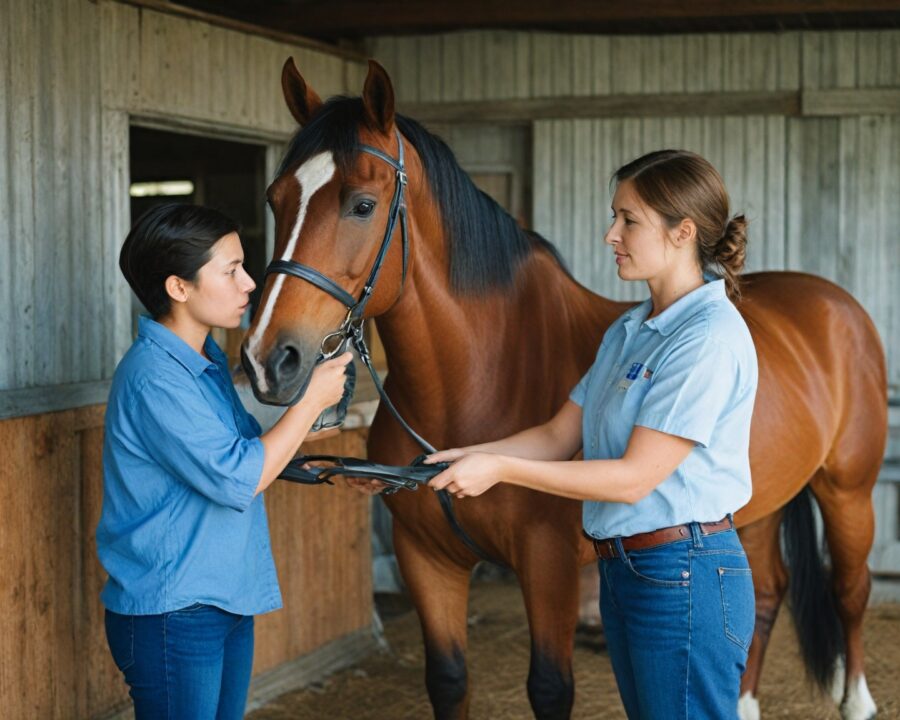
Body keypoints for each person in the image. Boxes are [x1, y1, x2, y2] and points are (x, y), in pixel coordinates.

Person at [425, 150, 758, 719]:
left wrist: (499, 471)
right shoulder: (631, 330)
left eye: (629, 220)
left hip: (684, 571)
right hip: (628, 569)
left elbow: (633, 479)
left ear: (682, 232)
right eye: (615, 216)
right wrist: (463, 455)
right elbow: (558, 433)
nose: (611, 234)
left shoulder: (705, 338)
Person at [96, 203, 352, 719]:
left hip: (221, 600)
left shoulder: (205, 361)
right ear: (179, 288)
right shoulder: (156, 378)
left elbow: (237, 456)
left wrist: (329, 469)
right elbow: (240, 475)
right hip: (175, 611)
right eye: (231, 270)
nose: (250, 284)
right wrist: (309, 404)